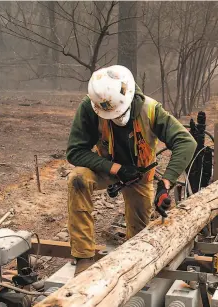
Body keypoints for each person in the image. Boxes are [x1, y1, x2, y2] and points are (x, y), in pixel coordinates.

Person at [66, 65, 197, 275]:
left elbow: (186, 142)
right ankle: (83, 256)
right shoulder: (91, 107)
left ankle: (132, 268)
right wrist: (115, 168)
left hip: (140, 174)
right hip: (105, 167)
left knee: (139, 236)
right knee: (78, 179)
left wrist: (165, 184)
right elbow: (74, 152)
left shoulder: (151, 109)